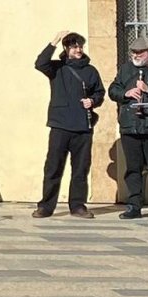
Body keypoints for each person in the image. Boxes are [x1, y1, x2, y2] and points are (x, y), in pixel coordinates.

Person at [33, 30, 104, 219]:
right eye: (74, 46)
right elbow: (40, 63)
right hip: (60, 125)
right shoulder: (57, 68)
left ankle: (78, 206)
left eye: (80, 46)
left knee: (81, 169)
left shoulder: (90, 70)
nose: (78, 49)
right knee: (53, 167)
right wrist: (54, 40)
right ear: (66, 48)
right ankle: (45, 207)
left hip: (83, 127)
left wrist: (93, 101)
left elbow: (99, 92)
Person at [109, 36, 148, 221]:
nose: (136, 55)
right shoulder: (126, 69)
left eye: (140, 52)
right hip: (130, 126)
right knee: (133, 169)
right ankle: (134, 206)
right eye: (133, 52)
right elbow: (113, 90)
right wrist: (126, 93)